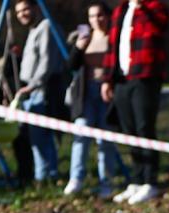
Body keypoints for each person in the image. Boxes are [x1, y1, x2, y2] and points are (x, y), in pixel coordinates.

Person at [101, 0, 169, 205]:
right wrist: (107, 79)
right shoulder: (120, 10)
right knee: (129, 130)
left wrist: (144, 9)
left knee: (144, 128)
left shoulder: (155, 7)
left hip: (145, 77)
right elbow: (112, 47)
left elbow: (162, 27)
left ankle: (150, 181)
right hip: (122, 79)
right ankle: (137, 180)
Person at [64, 2, 118, 198]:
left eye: (100, 15)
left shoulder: (114, 37)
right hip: (86, 93)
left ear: (107, 16)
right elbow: (71, 65)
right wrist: (78, 48)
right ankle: (76, 179)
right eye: (92, 16)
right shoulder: (85, 38)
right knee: (81, 135)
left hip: (107, 92)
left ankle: (106, 182)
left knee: (105, 140)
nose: (96, 20)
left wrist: (109, 82)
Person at [14, 0, 63, 183]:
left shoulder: (46, 27)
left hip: (41, 90)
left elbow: (46, 60)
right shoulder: (34, 30)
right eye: (18, 12)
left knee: (41, 138)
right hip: (32, 90)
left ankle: (46, 177)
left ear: (36, 8)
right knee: (35, 139)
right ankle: (42, 175)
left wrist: (34, 84)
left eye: (25, 9)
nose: (22, 14)